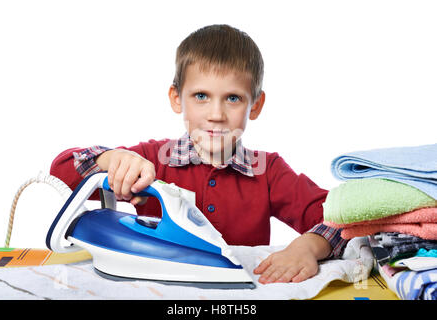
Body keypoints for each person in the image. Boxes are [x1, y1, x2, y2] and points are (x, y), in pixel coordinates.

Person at [50, 24, 348, 284]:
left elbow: (341, 217)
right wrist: (110, 160)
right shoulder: (152, 159)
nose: (216, 115)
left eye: (233, 98)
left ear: (255, 105)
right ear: (177, 98)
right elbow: (60, 172)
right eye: (201, 96)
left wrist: (309, 245)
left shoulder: (268, 171)